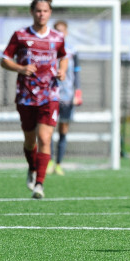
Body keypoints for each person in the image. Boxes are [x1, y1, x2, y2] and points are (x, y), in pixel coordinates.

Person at [1, 0, 68, 199]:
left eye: (45, 11)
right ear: (32, 12)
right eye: (38, 11)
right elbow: (4, 59)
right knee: (30, 140)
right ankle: (31, 168)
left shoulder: (57, 38)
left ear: (50, 13)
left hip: (50, 94)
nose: (41, 14)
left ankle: (40, 183)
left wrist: (62, 70)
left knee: (45, 137)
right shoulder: (21, 35)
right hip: (26, 95)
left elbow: (64, 56)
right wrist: (20, 69)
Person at [47, 20, 82, 176]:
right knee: (47, 130)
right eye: (57, 31)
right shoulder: (48, 48)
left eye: (62, 31)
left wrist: (77, 92)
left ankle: (59, 164)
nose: (60, 34)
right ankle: (49, 162)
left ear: (66, 33)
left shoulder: (72, 50)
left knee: (63, 130)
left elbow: (76, 72)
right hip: (51, 94)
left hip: (67, 95)